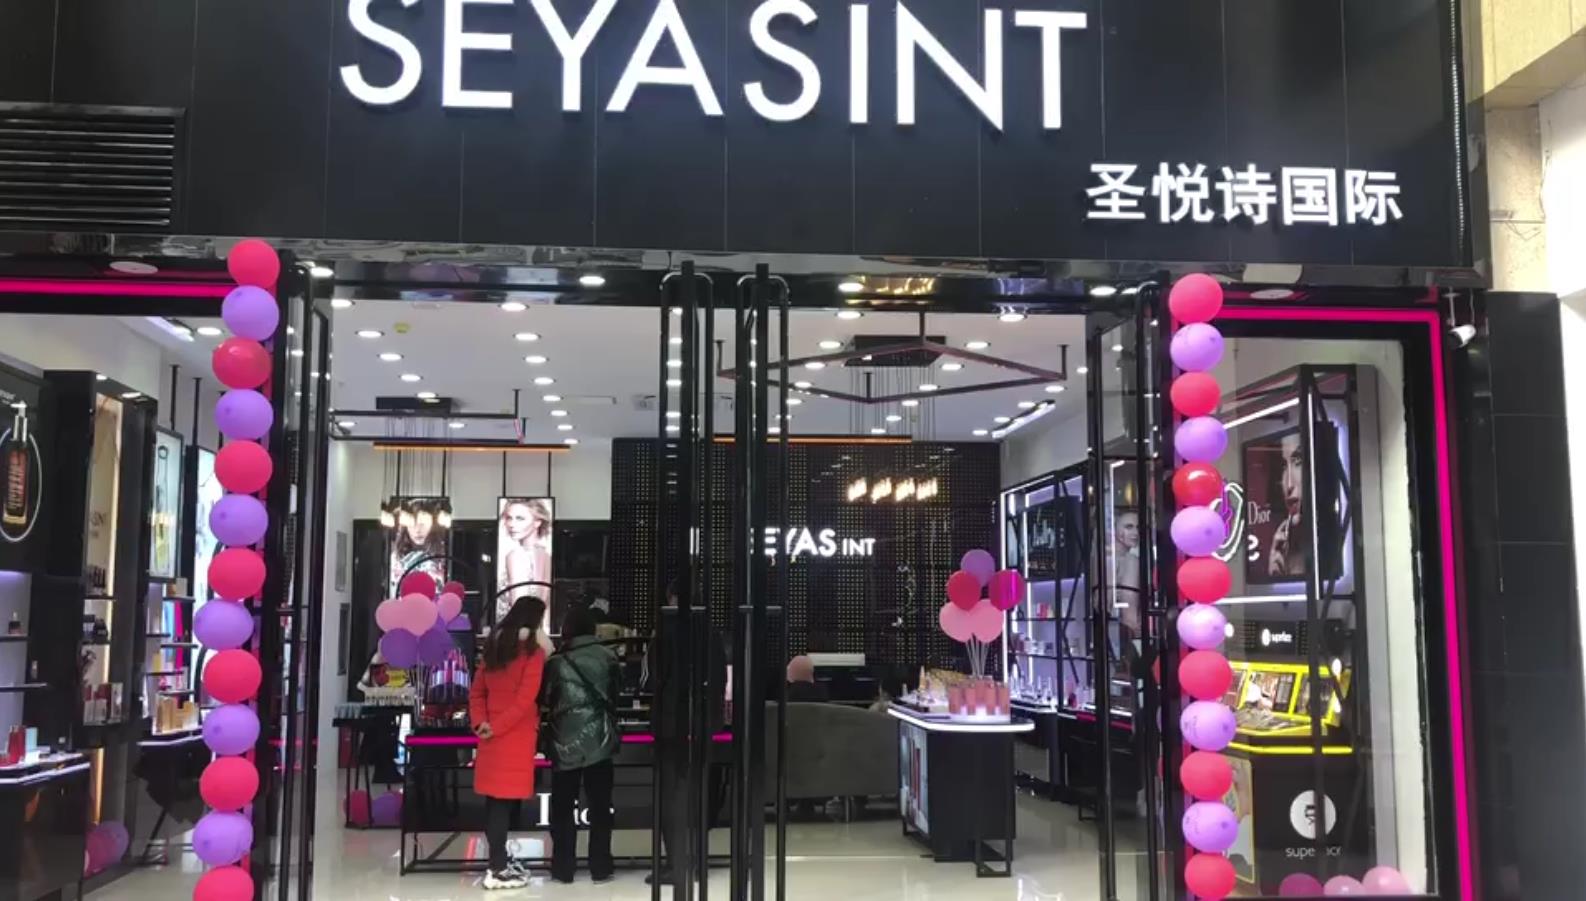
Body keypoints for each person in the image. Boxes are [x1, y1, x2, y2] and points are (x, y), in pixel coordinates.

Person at [469, 597, 547, 890]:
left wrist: (482, 724)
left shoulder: (493, 649)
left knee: (494, 803)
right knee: (502, 804)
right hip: (514, 737)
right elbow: (525, 700)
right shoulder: (533, 654)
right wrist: (497, 728)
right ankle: (497, 868)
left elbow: (477, 692)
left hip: (491, 738)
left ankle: (497, 861)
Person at [541, 605, 622, 884]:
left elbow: (545, 699)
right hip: (600, 740)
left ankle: (563, 867)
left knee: (564, 806)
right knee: (600, 805)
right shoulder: (609, 657)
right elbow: (615, 695)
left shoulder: (555, 662)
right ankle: (601, 866)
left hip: (564, 741)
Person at [497, 499, 553, 621]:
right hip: (536, 626)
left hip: (516, 627)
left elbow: (518, 604)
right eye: (509, 518)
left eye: (520, 518)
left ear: (537, 522)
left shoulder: (515, 556)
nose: (512, 524)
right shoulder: (545, 555)